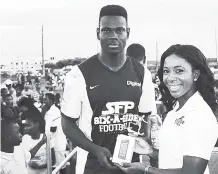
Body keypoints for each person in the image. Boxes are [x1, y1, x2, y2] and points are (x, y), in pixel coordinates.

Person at [61, 5, 156, 174]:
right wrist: (95, 149)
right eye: (106, 30)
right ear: (98, 33)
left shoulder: (143, 74)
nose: (113, 36)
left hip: (131, 166)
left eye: (119, 30)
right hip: (91, 166)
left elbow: (145, 118)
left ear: (128, 33)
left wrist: (143, 138)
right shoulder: (78, 75)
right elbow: (67, 124)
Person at [116, 44, 218, 174]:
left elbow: (191, 172)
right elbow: (175, 158)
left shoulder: (199, 114)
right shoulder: (176, 110)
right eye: (166, 71)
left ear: (195, 74)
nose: (170, 78)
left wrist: (146, 170)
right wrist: (151, 152)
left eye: (179, 70)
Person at [21, 109, 55, 174]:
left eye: (28, 125)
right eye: (25, 126)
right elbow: (25, 157)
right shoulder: (24, 139)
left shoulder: (47, 138)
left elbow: (53, 160)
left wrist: (40, 165)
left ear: (37, 124)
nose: (25, 128)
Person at [44, 93, 68, 173]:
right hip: (52, 142)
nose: (44, 101)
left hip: (58, 141)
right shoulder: (48, 110)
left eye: (46, 99)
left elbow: (54, 128)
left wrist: (43, 128)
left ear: (51, 101)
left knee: (61, 165)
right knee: (53, 165)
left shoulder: (55, 111)